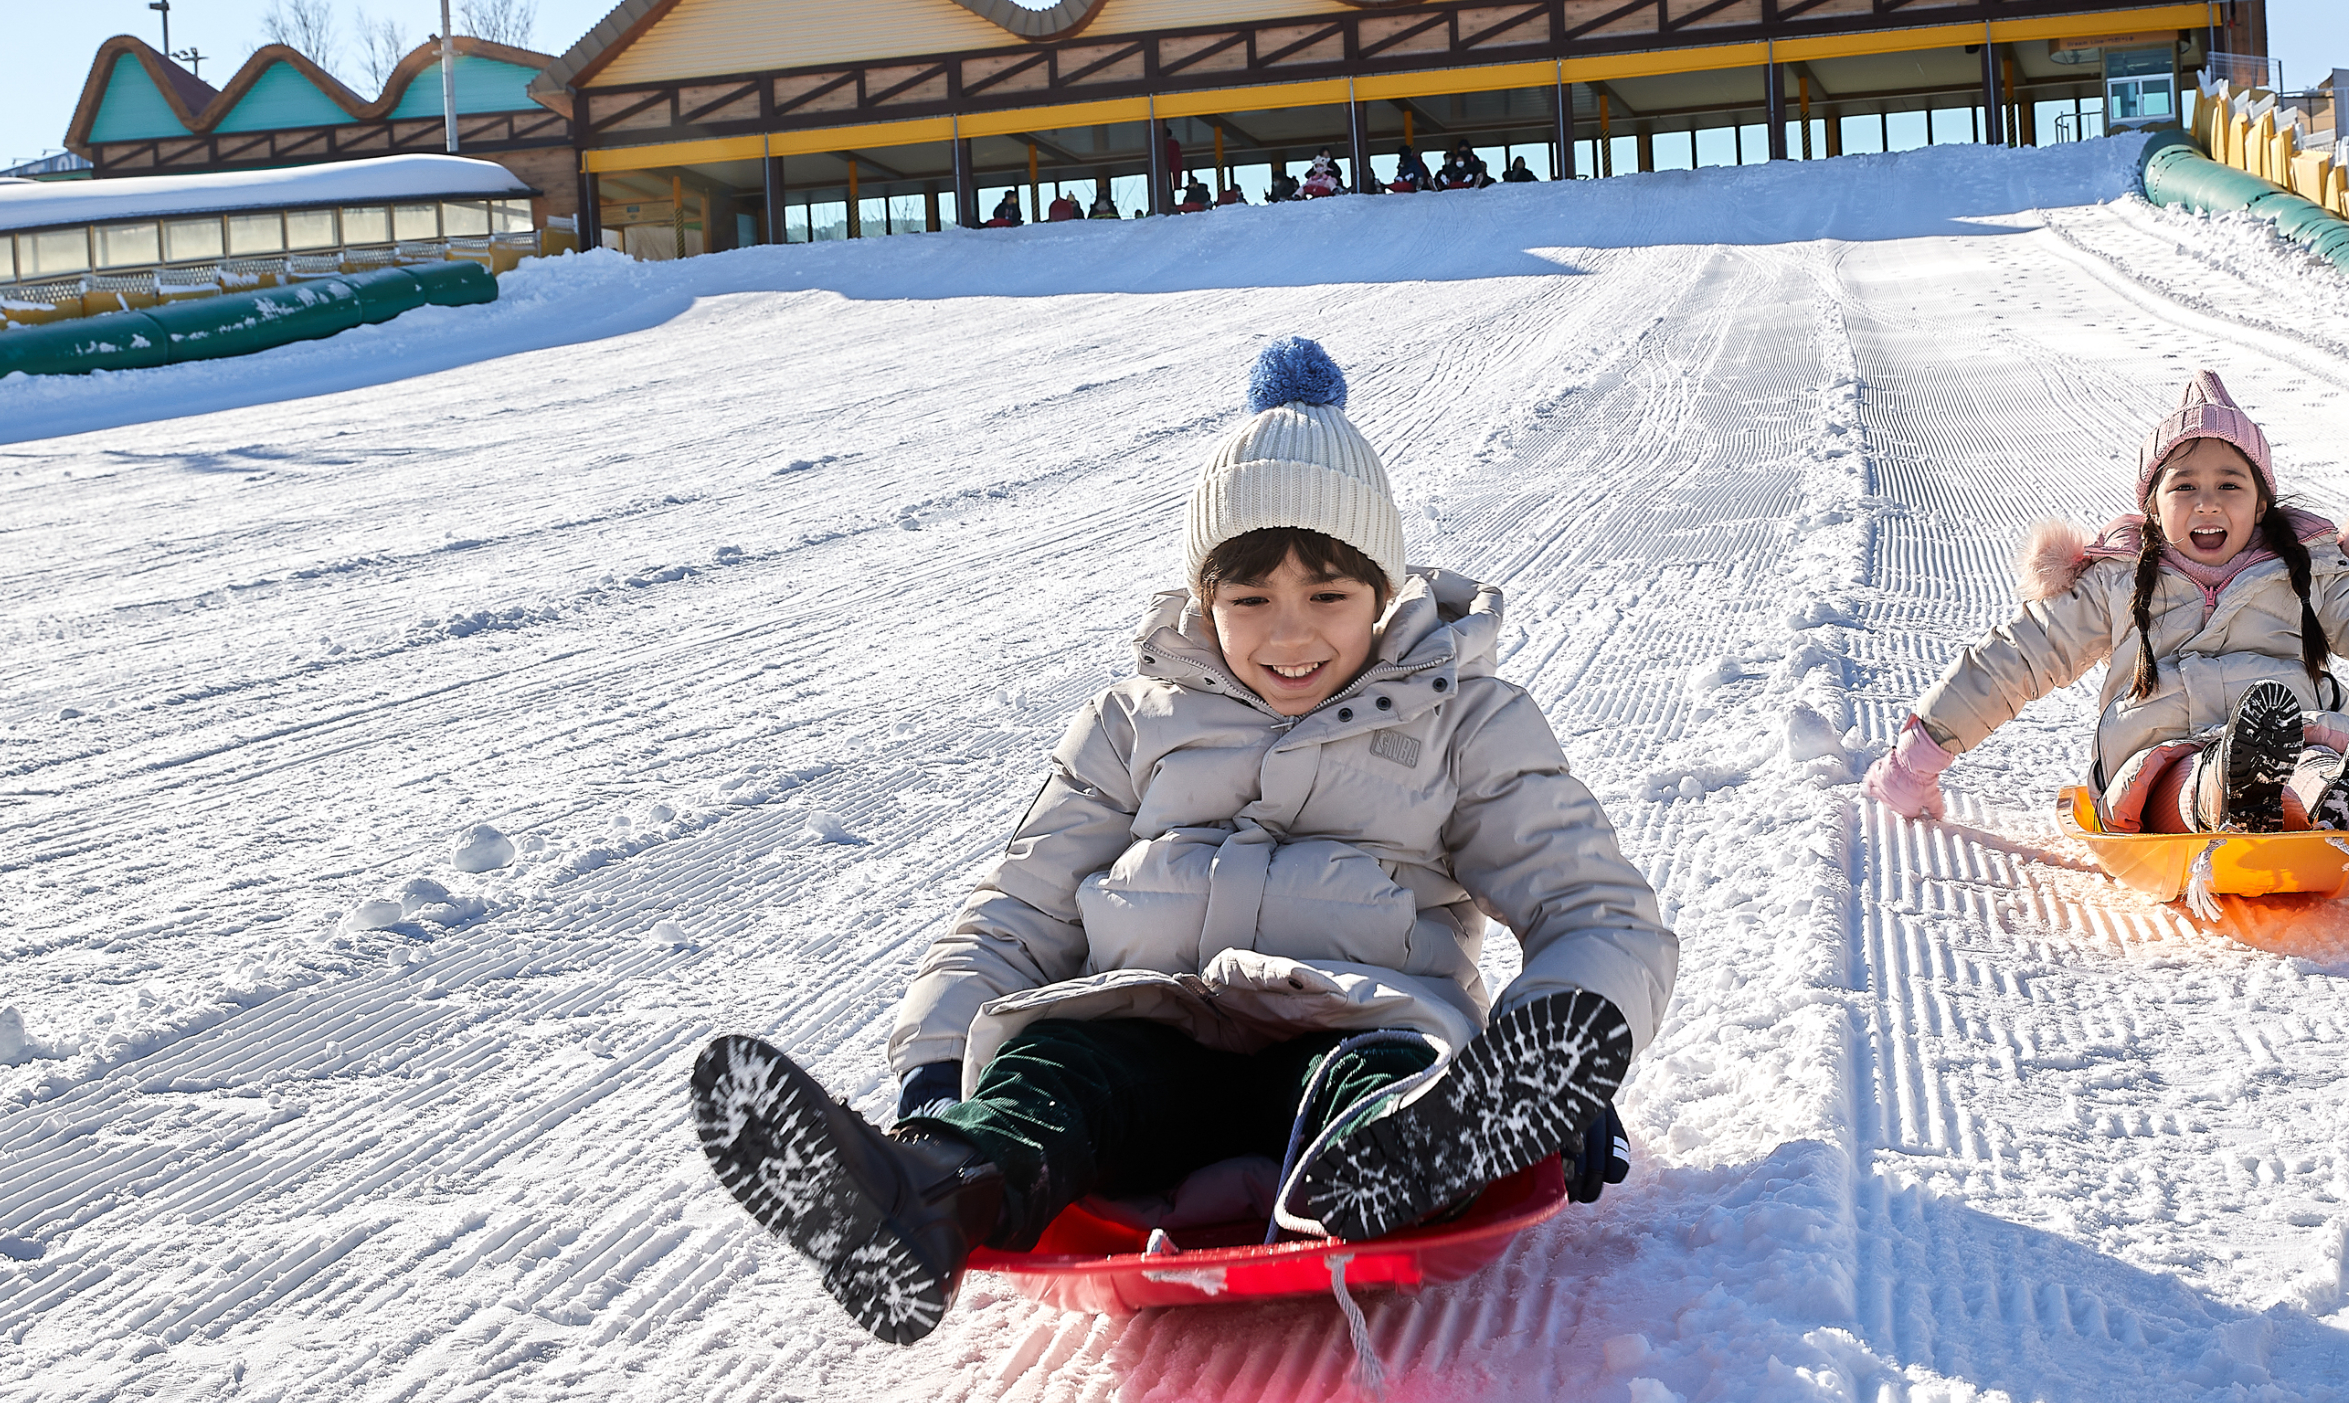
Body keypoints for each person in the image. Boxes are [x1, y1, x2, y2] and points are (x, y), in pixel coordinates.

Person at [691, 338, 1675, 1344]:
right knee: (1055, 1070)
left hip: (1356, 1026)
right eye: (1251, 598)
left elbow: (1594, 911)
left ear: (1383, 591)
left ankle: (1424, 1150)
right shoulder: (1131, 722)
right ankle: (933, 1193)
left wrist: (1564, 1057)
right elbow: (1016, 907)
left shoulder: (1462, 719)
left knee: (1381, 1078)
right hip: (1151, 1040)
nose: (1290, 636)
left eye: (1328, 595)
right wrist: (940, 1060)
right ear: (1207, 598)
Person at [1864, 368, 2349, 836]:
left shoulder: (2308, 575)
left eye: (2230, 486)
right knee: (2190, 779)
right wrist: (1922, 752)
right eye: (2185, 487)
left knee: (2305, 756)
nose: (2209, 504)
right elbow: (2014, 662)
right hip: (2155, 755)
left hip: (2292, 731)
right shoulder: (2113, 582)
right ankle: (2256, 785)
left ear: (2260, 501)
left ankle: (2342, 793)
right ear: (2152, 505)